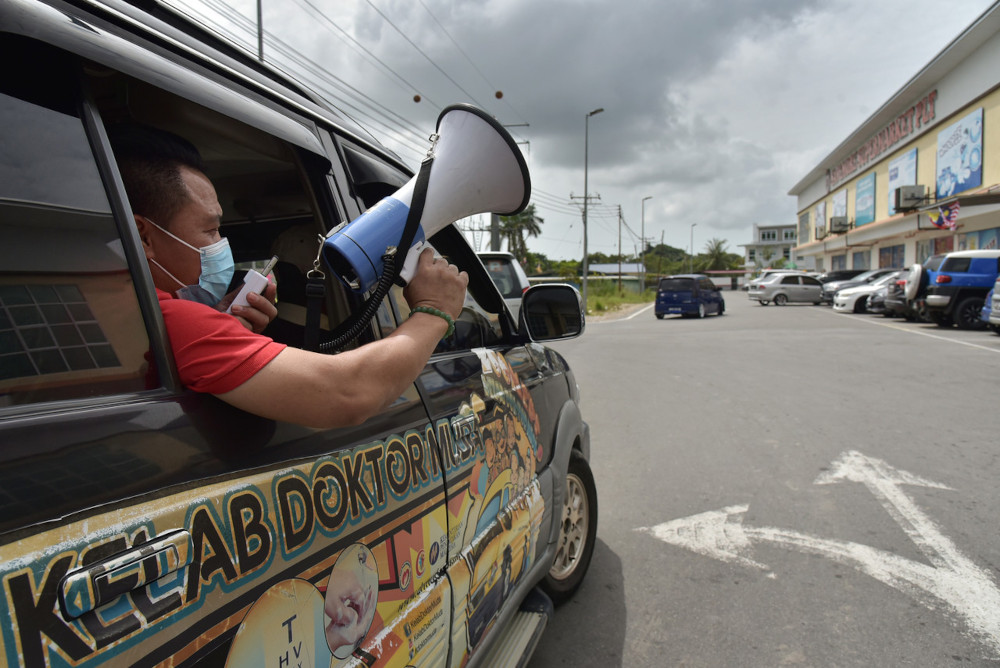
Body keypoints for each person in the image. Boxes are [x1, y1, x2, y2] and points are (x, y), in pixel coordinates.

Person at [110, 124, 468, 429]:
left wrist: (220, 324)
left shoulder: (126, 309)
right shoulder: (176, 320)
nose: (221, 245)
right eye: (212, 230)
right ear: (143, 236)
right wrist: (434, 310)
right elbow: (348, 392)